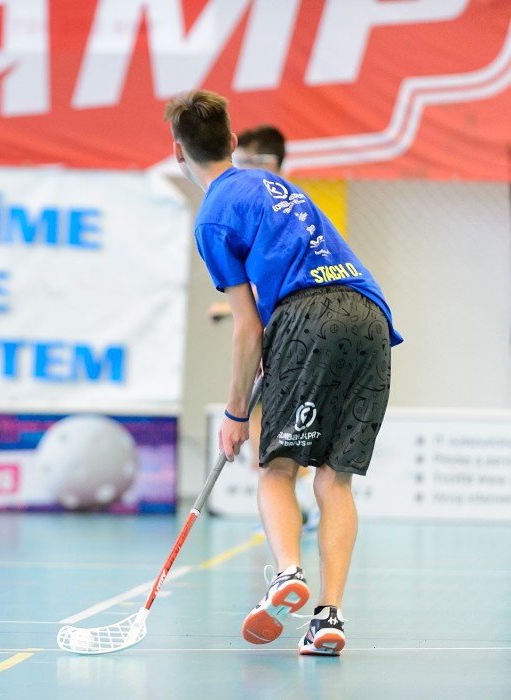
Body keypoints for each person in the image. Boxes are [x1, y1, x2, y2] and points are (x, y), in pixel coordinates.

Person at [165, 90, 401, 656]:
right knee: (335, 477)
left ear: (179, 153)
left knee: (277, 467)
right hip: (370, 315)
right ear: (231, 140)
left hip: (307, 315)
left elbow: (248, 329)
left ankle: (287, 574)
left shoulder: (213, 217)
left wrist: (235, 412)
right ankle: (328, 618)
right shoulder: (281, 187)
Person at [209, 124, 320, 530]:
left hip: (294, 338)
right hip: (273, 336)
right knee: (265, 434)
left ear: (269, 164)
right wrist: (229, 308)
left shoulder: (296, 210)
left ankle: (302, 502)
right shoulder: (260, 205)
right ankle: (296, 505)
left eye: (250, 162)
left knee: (278, 436)